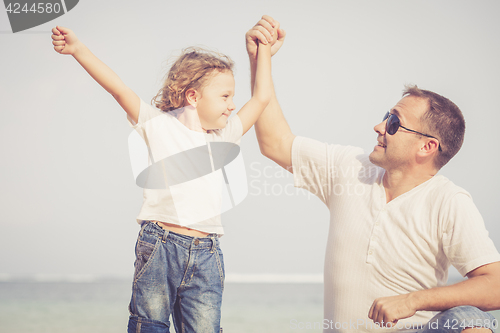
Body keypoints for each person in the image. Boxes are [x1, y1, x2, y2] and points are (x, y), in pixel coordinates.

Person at [246, 15, 500, 333]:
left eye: (393, 123)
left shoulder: (449, 202)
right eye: (385, 116)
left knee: (469, 319)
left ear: (427, 147)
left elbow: (495, 286)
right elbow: (275, 142)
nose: (379, 127)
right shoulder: (348, 167)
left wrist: (411, 301)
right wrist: (261, 60)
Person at [51, 24, 275, 333]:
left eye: (233, 97)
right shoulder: (159, 126)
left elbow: (261, 98)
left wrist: (264, 50)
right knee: (150, 325)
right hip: (160, 245)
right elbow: (118, 88)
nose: (232, 105)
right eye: (225, 96)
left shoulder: (225, 137)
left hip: (207, 253)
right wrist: (77, 49)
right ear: (193, 96)